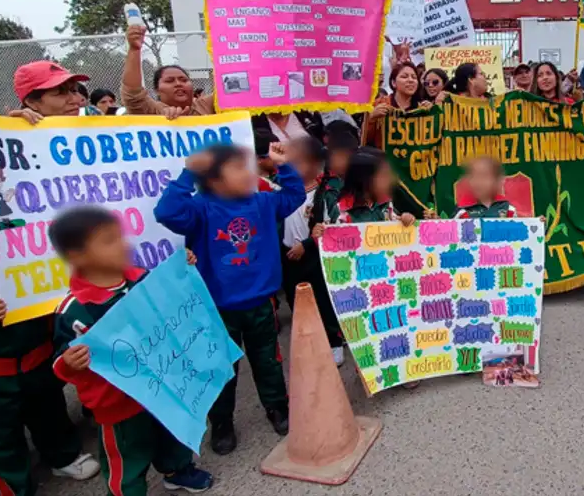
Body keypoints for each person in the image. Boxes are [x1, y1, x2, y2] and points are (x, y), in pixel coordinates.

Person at [154, 143, 304, 455]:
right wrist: (188, 173)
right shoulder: (200, 208)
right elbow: (166, 212)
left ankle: (277, 407)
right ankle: (221, 422)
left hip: (261, 304)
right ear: (213, 180)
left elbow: (295, 196)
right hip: (216, 308)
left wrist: (283, 166)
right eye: (237, 168)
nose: (248, 173)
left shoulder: (263, 202)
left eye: (247, 166)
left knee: (268, 362)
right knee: (219, 368)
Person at [50, 207, 213, 495]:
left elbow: (169, 306)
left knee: (172, 435)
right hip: (118, 404)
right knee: (126, 458)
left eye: (121, 236)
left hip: (163, 385)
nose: (124, 244)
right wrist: (69, 362)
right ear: (78, 256)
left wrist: (181, 271)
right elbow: (59, 361)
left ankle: (177, 470)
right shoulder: (73, 309)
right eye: (110, 240)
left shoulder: (142, 278)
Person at [0, 244, 100, 494]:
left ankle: (62, 456)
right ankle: (14, 486)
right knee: (1, 436)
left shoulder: (22, 242)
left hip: (38, 357)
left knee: (49, 411)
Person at [279, 137, 346, 365]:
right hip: (288, 256)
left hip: (314, 257)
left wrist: (306, 245)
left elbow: (330, 226)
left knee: (322, 300)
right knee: (297, 301)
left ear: (315, 164)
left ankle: (335, 342)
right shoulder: (282, 191)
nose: (293, 166)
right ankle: (310, 343)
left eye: (299, 161)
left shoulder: (325, 193)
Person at [121, 25, 214, 117]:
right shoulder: (153, 110)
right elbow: (132, 95)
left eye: (184, 80)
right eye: (169, 81)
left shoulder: (206, 105)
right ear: (157, 90)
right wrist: (134, 50)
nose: (178, 84)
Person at [332, 148, 416, 226]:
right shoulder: (340, 212)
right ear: (365, 180)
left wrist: (404, 220)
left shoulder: (385, 205)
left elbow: (393, 224)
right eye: (384, 175)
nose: (390, 180)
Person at [362, 61, 428, 148]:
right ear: (393, 83)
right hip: (384, 160)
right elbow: (364, 140)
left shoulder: (422, 108)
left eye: (414, 77)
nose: (410, 80)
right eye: (404, 76)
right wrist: (371, 119)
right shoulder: (379, 104)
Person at [10, 60, 89, 122]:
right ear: (32, 102)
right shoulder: (19, 135)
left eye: (74, 90)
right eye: (61, 93)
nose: (76, 100)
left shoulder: (92, 125)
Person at [453, 156, 518, 218]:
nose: (478, 182)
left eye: (484, 176)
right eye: (473, 176)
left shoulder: (508, 209)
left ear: (497, 180)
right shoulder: (462, 210)